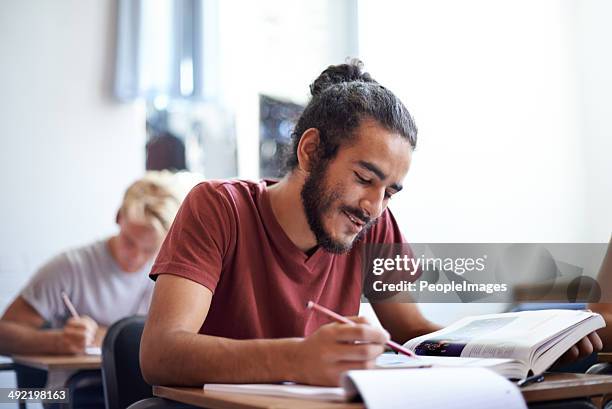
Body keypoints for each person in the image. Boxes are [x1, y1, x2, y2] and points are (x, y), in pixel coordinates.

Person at [140, 60, 601, 387]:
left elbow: (412, 334)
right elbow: (160, 353)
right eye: (365, 178)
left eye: (391, 191)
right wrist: (298, 358)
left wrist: (523, 349)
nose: (375, 207)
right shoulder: (218, 208)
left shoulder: (373, 228)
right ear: (311, 151)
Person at [0, 171, 194, 356]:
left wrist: (107, 335)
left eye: (150, 250)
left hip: (137, 389)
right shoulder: (70, 268)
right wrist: (58, 341)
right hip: (75, 387)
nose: (136, 257)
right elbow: (4, 335)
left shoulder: (170, 278)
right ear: (119, 217)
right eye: (129, 242)